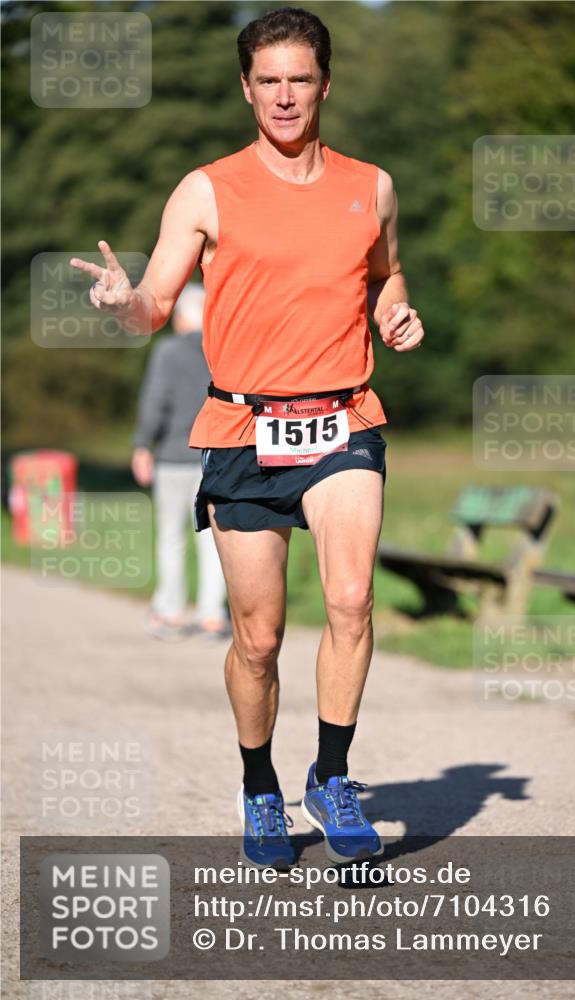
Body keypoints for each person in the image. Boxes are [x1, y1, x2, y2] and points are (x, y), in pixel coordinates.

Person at [70, 6, 424, 868]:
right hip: (242, 428)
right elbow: (154, 306)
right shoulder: (205, 190)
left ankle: (331, 776)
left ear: (325, 84)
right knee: (257, 639)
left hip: (343, 419)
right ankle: (260, 784)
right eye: (268, 81)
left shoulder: (371, 186)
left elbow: (386, 274)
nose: (284, 96)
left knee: (350, 600)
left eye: (300, 78)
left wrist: (395, 311)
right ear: (245, 88)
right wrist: (122, 304)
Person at [131, 283, 230, 641]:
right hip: (215, 458)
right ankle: (211, 616)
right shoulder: (223, 349)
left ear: (182, 318)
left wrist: (143, 445)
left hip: (173, 457)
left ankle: (170, 613)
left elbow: (155, 401)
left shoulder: (168, 352)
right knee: (213, 540)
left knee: (171, 537)